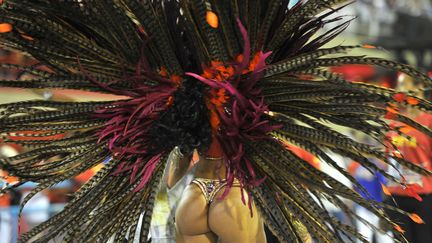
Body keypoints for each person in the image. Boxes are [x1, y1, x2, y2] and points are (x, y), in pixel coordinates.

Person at [1, 1, 432, 242]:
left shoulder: (176, 104)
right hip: (234, 195)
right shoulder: (249, 94)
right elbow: (267, 141)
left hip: (194, 194)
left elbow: (174, 167)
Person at [384, 73, 432, 243]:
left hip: (423, 198)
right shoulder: (393, 123)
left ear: (419, 90)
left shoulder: (428, 120)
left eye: (405, 86)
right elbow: (387, 160)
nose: (401, 91)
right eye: (399, 86)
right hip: (396, 197)